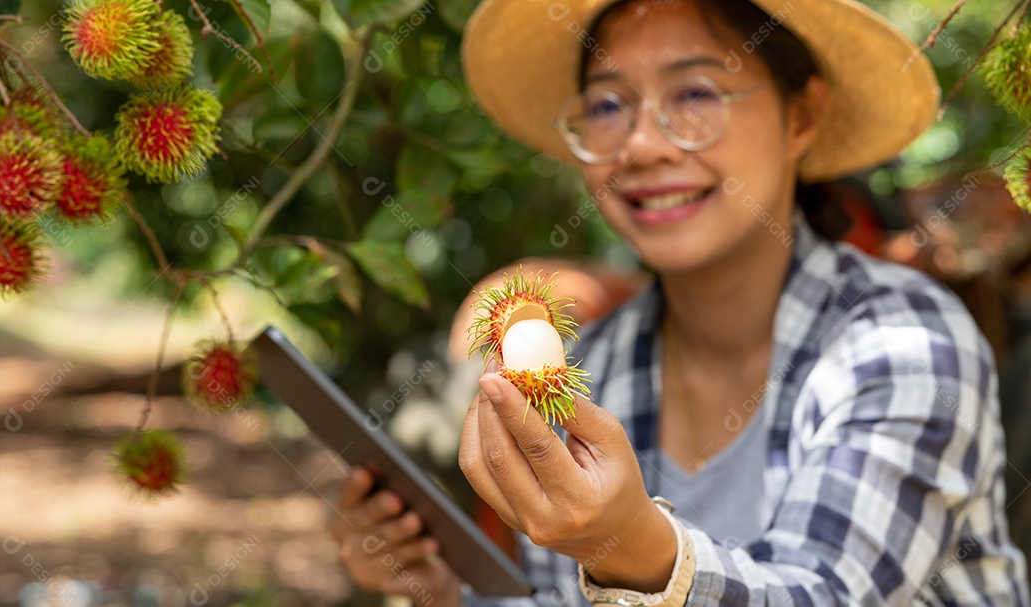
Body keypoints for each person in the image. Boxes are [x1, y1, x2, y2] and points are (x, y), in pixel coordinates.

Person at [330, 0, 1031, 604]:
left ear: (802, 115)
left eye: (695, 94)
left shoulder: (906, 341)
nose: (639, 144)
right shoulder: (596, 361)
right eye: (606, 104)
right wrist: (443, 592)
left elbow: (829, 589)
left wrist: (632, 547)